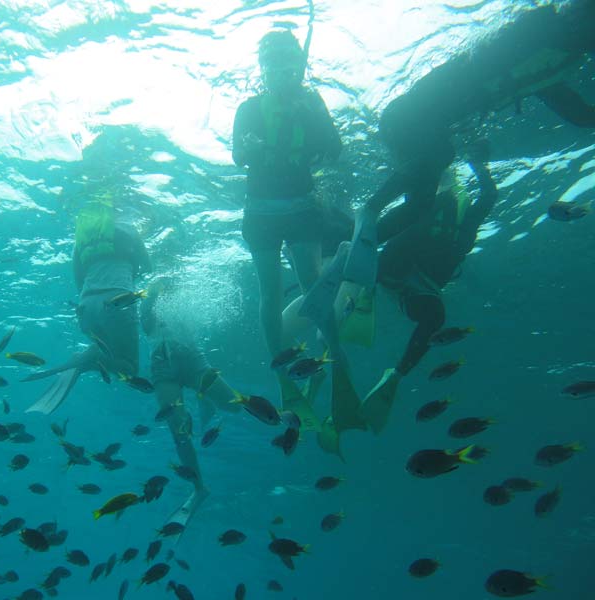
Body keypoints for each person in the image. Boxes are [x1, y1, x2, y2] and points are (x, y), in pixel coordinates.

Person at [335, 1, 595, 293]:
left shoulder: (545, 62)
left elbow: (579, 113)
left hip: (412, 120)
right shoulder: (542, 32)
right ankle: (369, 212)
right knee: (440, 158)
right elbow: (487, 56)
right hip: (407, 116)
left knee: (421, 206)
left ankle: (348, 250)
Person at [232, 28, 343, 418]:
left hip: (300, 211)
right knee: (270, 295)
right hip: (261, 213)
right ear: (263, 69)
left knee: (314, 285)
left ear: (299, 66)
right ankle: (283, 376)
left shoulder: (312, 102)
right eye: (273, 65)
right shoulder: (249, 108)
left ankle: (334, 358)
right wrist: (251, 147)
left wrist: (314, 121)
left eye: (288, 64)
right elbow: (237, 156)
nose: (281, 72)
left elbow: (335, 151)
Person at [360, 141, 498, 433]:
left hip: (421, 287)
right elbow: (411, 191)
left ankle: (397, 374)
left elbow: (488, 195)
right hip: (394, 270)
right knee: (406, 234)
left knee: (436, 318)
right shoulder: (423, 202)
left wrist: (479, 166)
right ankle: (361, 283)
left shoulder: (466, 218)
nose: (447, 189)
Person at [25, 194, 151, 414]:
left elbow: (78, 280)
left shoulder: (82, 240)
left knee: (109, 351)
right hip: (117, 303)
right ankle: (85, 359)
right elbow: (148, 267)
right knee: (129, 369)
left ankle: (90, 356)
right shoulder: (129, 230)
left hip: (86, 307)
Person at [139, 280, 240, 528]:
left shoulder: (185, 293)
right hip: (163, 368)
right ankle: (199, 488)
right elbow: (145, 326)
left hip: (194, 361)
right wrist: (151, 295)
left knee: (235, 405)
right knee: (179, 429)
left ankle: (204, 397)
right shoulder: (146, 301)